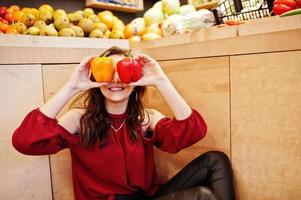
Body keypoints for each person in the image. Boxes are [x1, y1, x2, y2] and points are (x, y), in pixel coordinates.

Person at [12, 46, 235, 200]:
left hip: (146, 197)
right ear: (97, 79)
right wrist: (72, 86)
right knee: (203, 197)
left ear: (136, 79)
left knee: (215, 161)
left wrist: (161, 81)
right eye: (109, 72)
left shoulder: (146, 118)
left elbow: (194, 131)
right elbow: (25, 142)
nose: (116, 80)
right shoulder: (79, 119)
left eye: (124, 71)